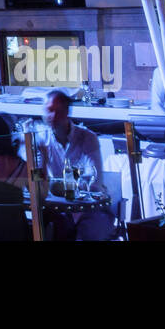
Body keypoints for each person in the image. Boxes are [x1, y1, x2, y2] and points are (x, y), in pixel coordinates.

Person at [25, 91, 113, 240]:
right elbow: (36, 180)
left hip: (89, 211)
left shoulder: (87, 138)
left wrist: (59, 185)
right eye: (49, 110)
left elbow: (94, 180)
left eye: (57, 111)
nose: (52, 116)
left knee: (89, 232)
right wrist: (43, 160)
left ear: (67, 112)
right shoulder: (41, 140)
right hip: (58, 210)